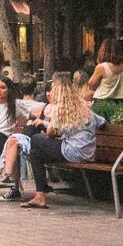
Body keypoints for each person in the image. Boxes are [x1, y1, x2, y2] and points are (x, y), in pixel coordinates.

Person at [20, 72, 106, 210]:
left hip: (72, 152)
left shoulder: (60, 110)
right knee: (36, 153)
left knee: (36, 139)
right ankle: (40, 195)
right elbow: (102, 122)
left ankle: (40, 195)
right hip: (88, 153)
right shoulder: (83, 106)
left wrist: (49, 126)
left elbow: (50, 133)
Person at [87, 38, 123, 103]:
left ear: (103, 51)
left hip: (102, 102)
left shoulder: (102, 67)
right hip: (119, 102)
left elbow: (91, 83)